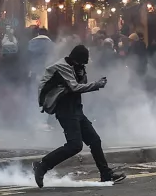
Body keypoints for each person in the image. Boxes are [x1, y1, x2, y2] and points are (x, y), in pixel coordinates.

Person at [33, 45, 126, 187]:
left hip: (76, 109)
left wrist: (83, 73)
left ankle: (106, 174)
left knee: (94, 140)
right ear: (76, 59)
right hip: (65, 110)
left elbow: (80, 85)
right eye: (81, 62)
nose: (83, 65)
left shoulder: (77, 67)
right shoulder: (61, 67)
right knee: (75, 145)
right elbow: (74, 87)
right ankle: (42, 166)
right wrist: (96, 85)